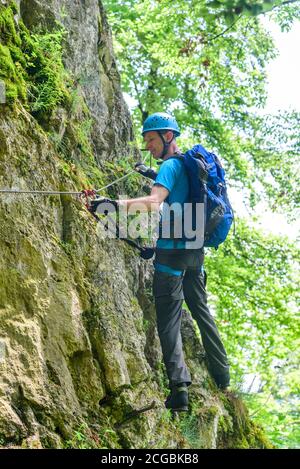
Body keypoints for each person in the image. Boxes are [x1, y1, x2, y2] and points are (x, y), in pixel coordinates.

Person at [90, 112, 230, 412]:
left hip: (171, 253)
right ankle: (223, 377)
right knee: (202, 312)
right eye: (146, 141)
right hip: (195, 250)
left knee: (168, 320)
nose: (148, 146)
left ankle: (179, 391)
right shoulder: (186, 165)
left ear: (168, 136)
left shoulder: (168, 166)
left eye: (151, 139)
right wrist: (151, 176)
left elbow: (154, 203)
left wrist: (108, 205)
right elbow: (177, 194)